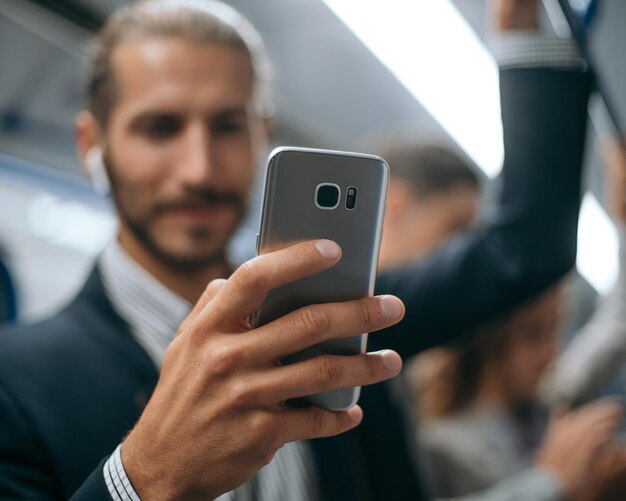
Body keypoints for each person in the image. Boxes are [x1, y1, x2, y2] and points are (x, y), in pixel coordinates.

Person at [0, 0, 611, 499]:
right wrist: (142, 479)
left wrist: (519, 27)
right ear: (91, 144)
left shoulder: (341, 317)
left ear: (263, 134)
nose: (199, 167)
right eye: (160, 128)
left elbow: (524, 249)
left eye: (227, 126)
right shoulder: (17, 384)